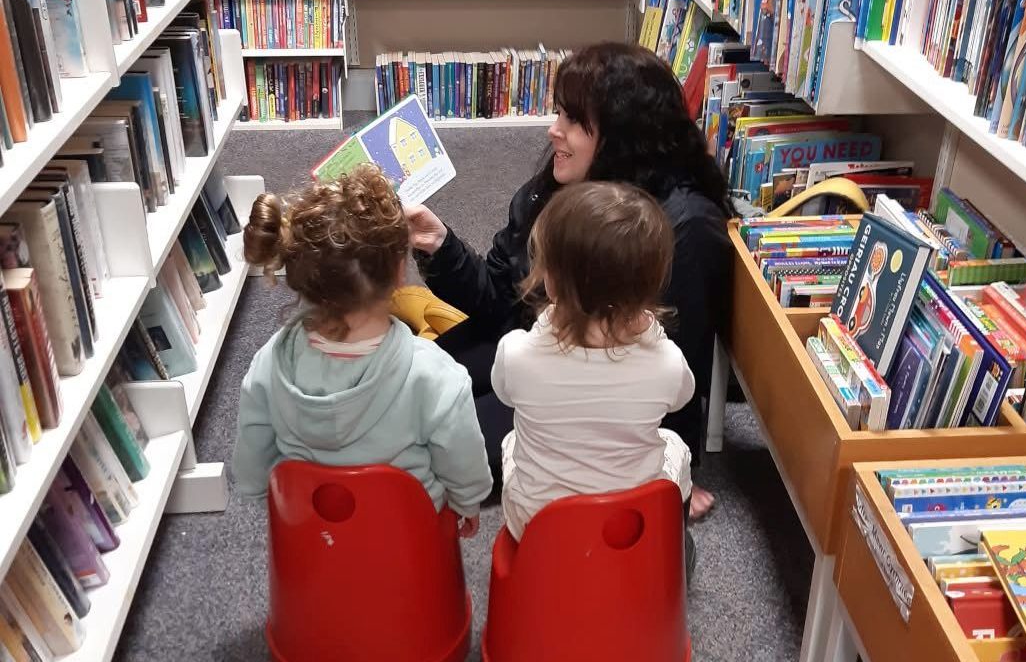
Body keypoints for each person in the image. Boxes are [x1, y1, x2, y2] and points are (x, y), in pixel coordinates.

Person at [407, 42, 735, 518]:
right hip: (529, 340)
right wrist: (440, 246)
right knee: (409, 387)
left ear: (624, 132)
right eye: (558, 111)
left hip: (592, 393)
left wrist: (674, 477)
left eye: (573, 119)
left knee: (440, 446)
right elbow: (498, 294)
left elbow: (679, 362)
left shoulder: (680, 225)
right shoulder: (561, 183)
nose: (552, 129)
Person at [231, 166, 493, 538]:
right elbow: (462, 459)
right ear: (400, 272)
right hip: (407, 551)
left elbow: (252, 467)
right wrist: (468, 502)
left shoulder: (269, 363)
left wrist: (265, 493)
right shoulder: (434, 374)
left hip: (314, 549)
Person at [493, 181, 694, 543]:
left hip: (538, 526)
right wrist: (650, 332)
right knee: (675, 446)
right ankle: (668, 558)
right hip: (625, 525)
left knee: (512, 440)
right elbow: (682, 397)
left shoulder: (517, 353)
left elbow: (504, 393)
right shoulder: (666, 362)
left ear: (552, 282)